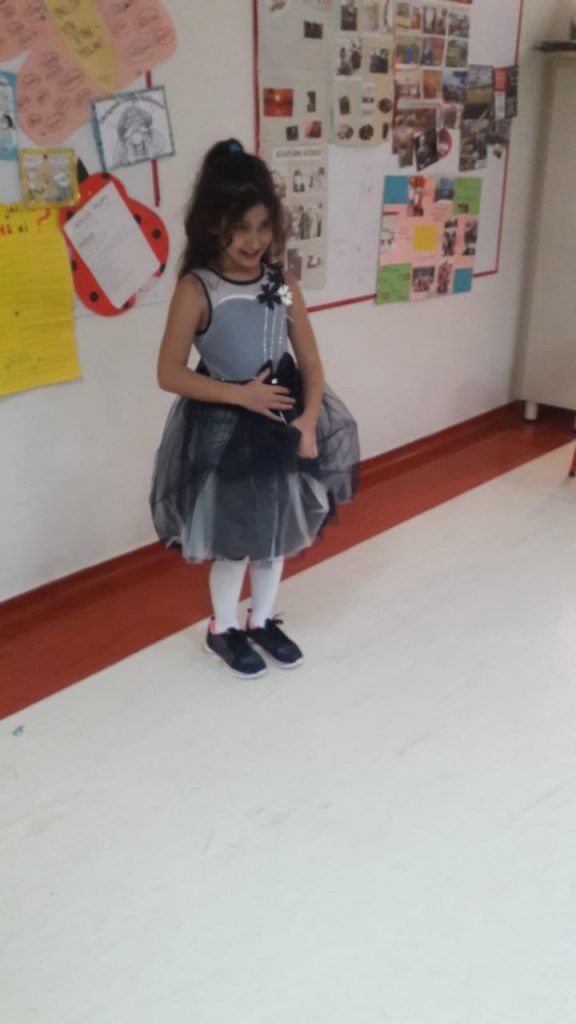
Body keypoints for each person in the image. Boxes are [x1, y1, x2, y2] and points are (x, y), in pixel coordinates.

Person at [150, 140, 359, 680]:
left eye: (264, 227)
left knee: (276, 532)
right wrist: (242, 395)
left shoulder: (281, 285)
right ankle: (222, 629)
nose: (254, 240)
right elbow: (169, 372)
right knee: (236, 539)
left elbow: (310, 358)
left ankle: (260, 619)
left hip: (283, 421)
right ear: (211, 224)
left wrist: (308, 420)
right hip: (226, 428)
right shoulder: (197, 289)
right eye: (240, 228)